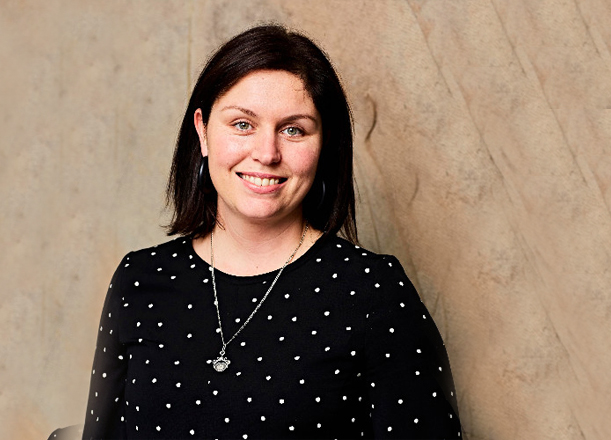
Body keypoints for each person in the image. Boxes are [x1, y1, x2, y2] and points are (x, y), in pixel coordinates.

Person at [81, 24, 462, 439]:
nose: (266, 153)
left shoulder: (374, 292)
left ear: (324, 143)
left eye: (293, 129)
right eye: (242, 124)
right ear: (202, 130)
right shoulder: (139, 280)